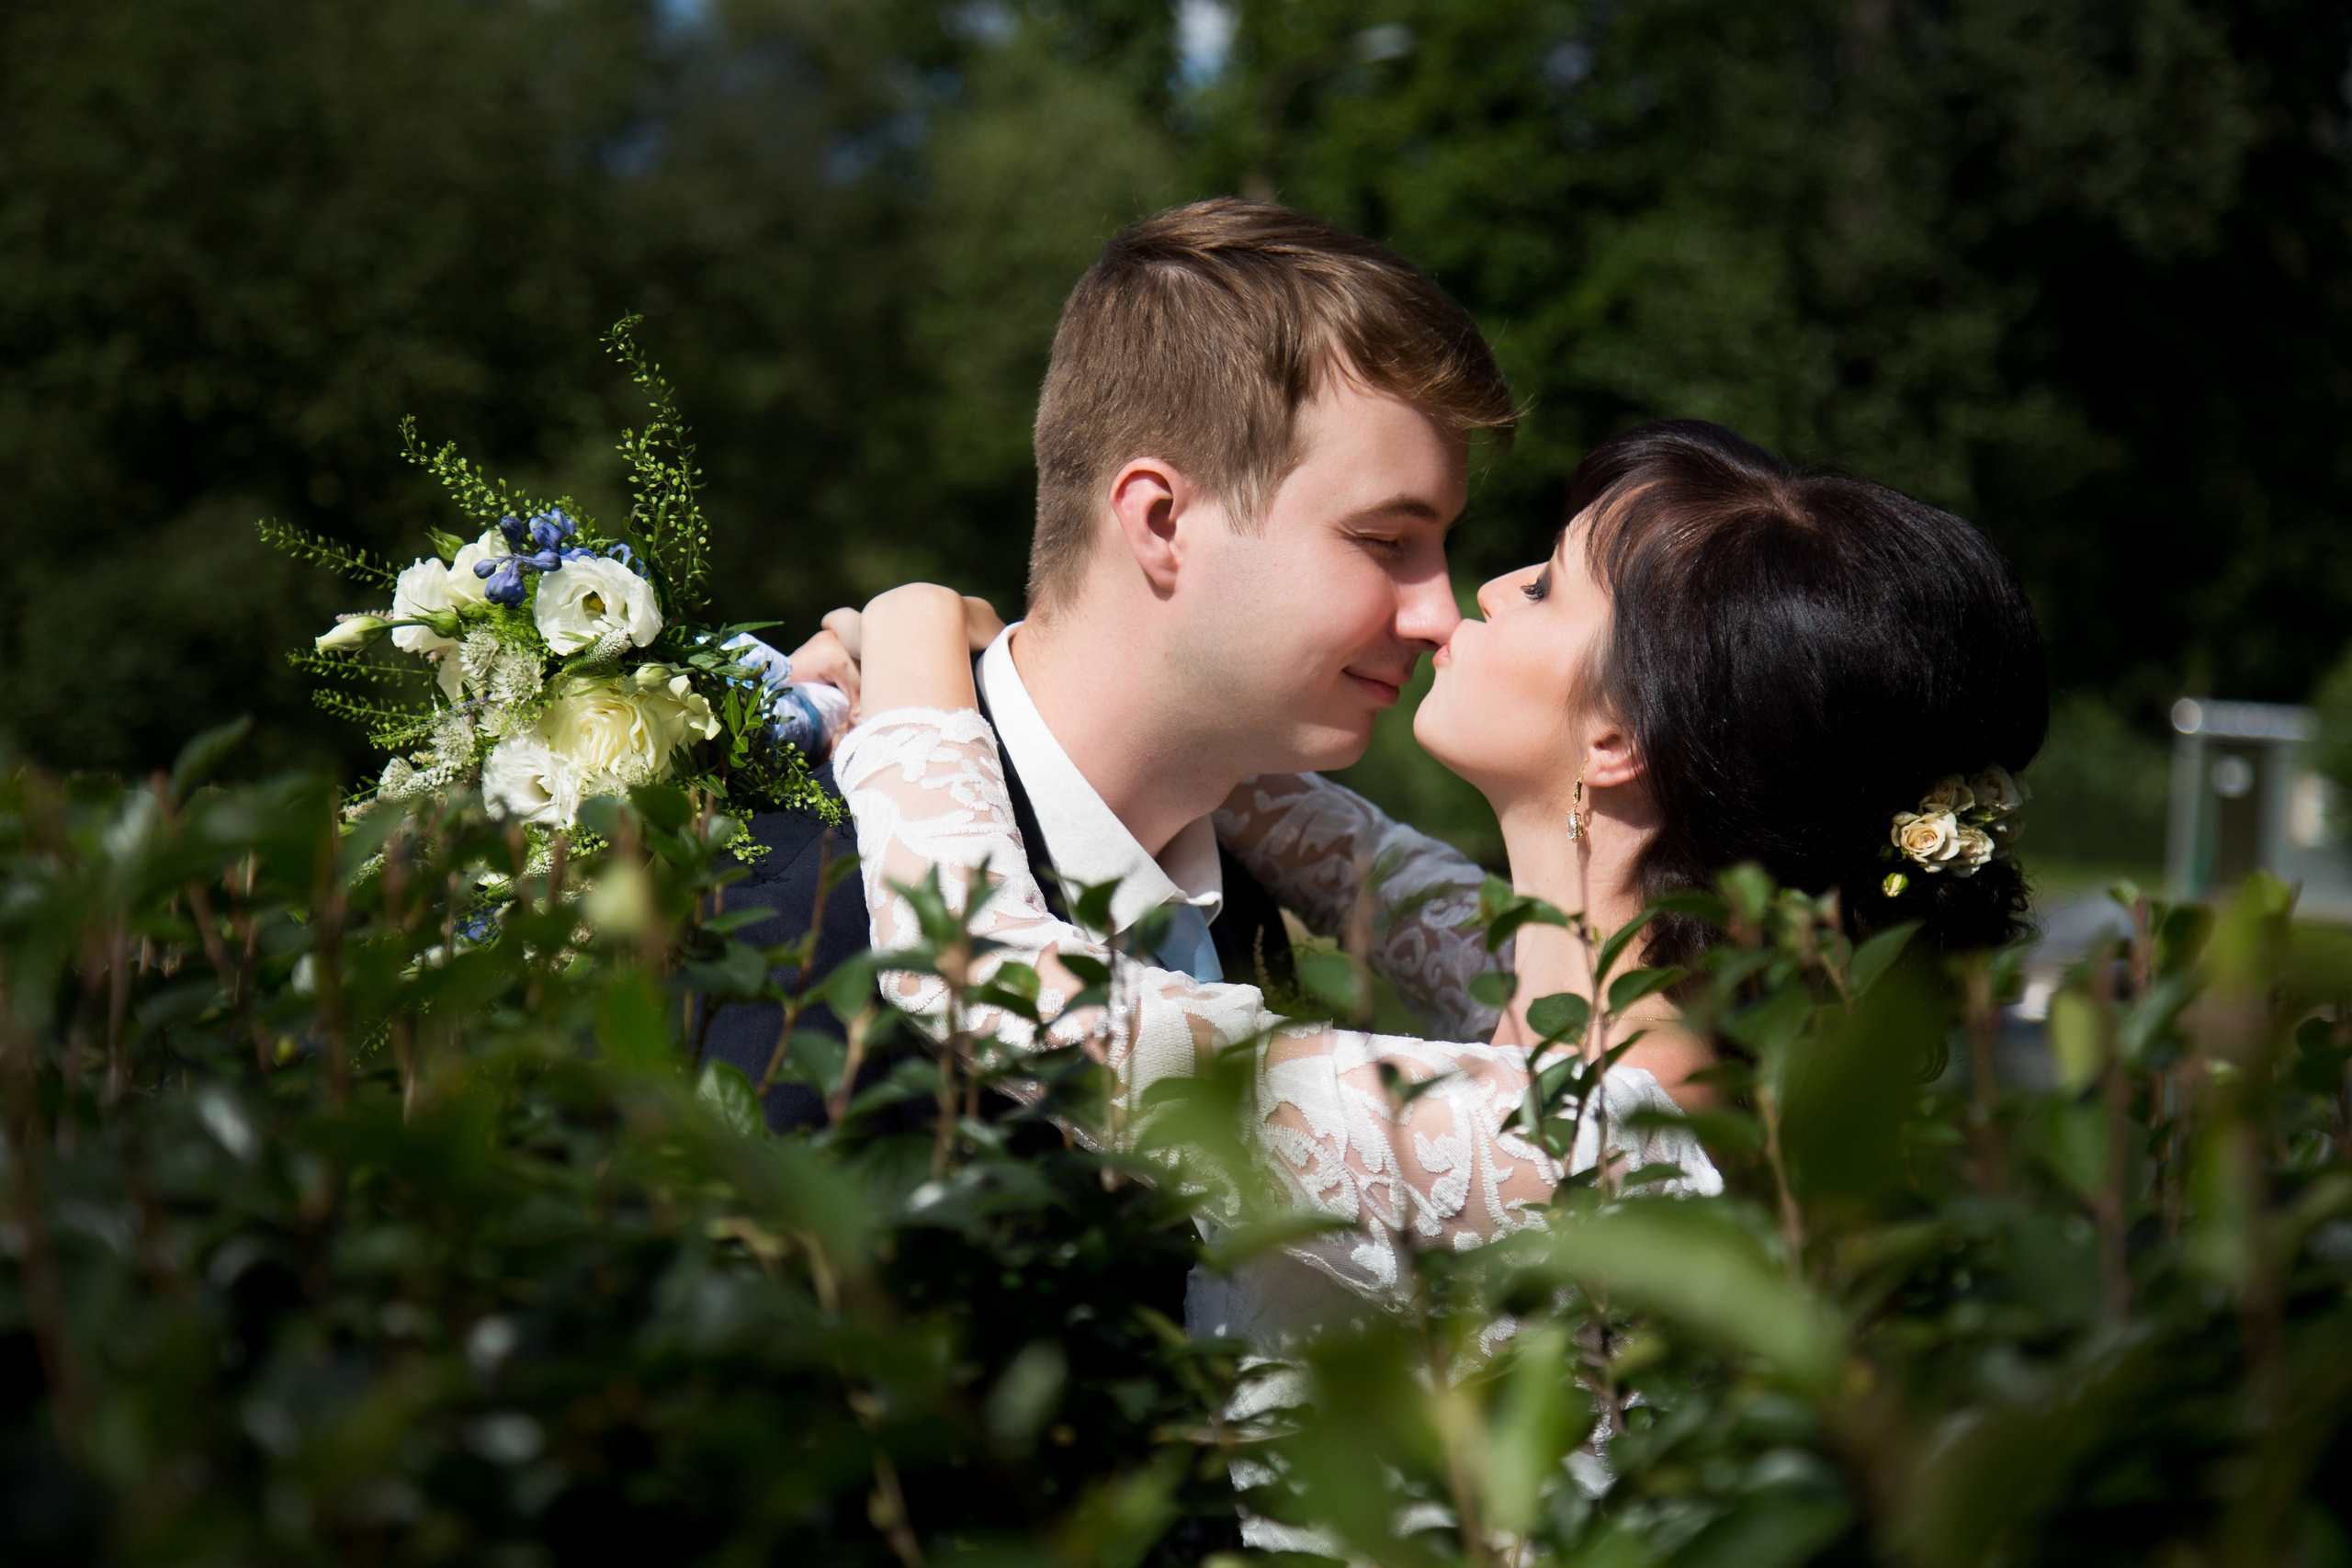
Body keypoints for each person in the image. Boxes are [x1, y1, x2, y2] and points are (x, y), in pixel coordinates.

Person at [825, 416, 2047, 1321]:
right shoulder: (1648, 1022)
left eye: (1551, 584)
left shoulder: (1588, 1141)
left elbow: (987, 977)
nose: (1480, 593)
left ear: (1617, 736)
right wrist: (1062, 663)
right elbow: (1361, 864)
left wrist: (913, 619)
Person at [699, 197, 1520, 1130]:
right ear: (1160, 521)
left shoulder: (1246, 890)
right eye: (1385, 540)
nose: (1437, 614)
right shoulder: (805, 919)